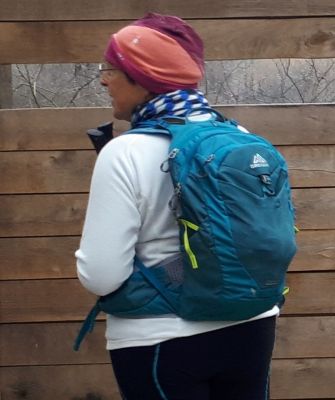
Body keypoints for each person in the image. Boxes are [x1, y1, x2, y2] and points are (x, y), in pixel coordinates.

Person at [77, 13, 282, 399]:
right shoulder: (240, 136)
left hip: (159, 340)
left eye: (112, 68)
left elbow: (101, 275)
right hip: (253, 326)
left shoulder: (124, 152)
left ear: (144, 76)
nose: (104, 79)